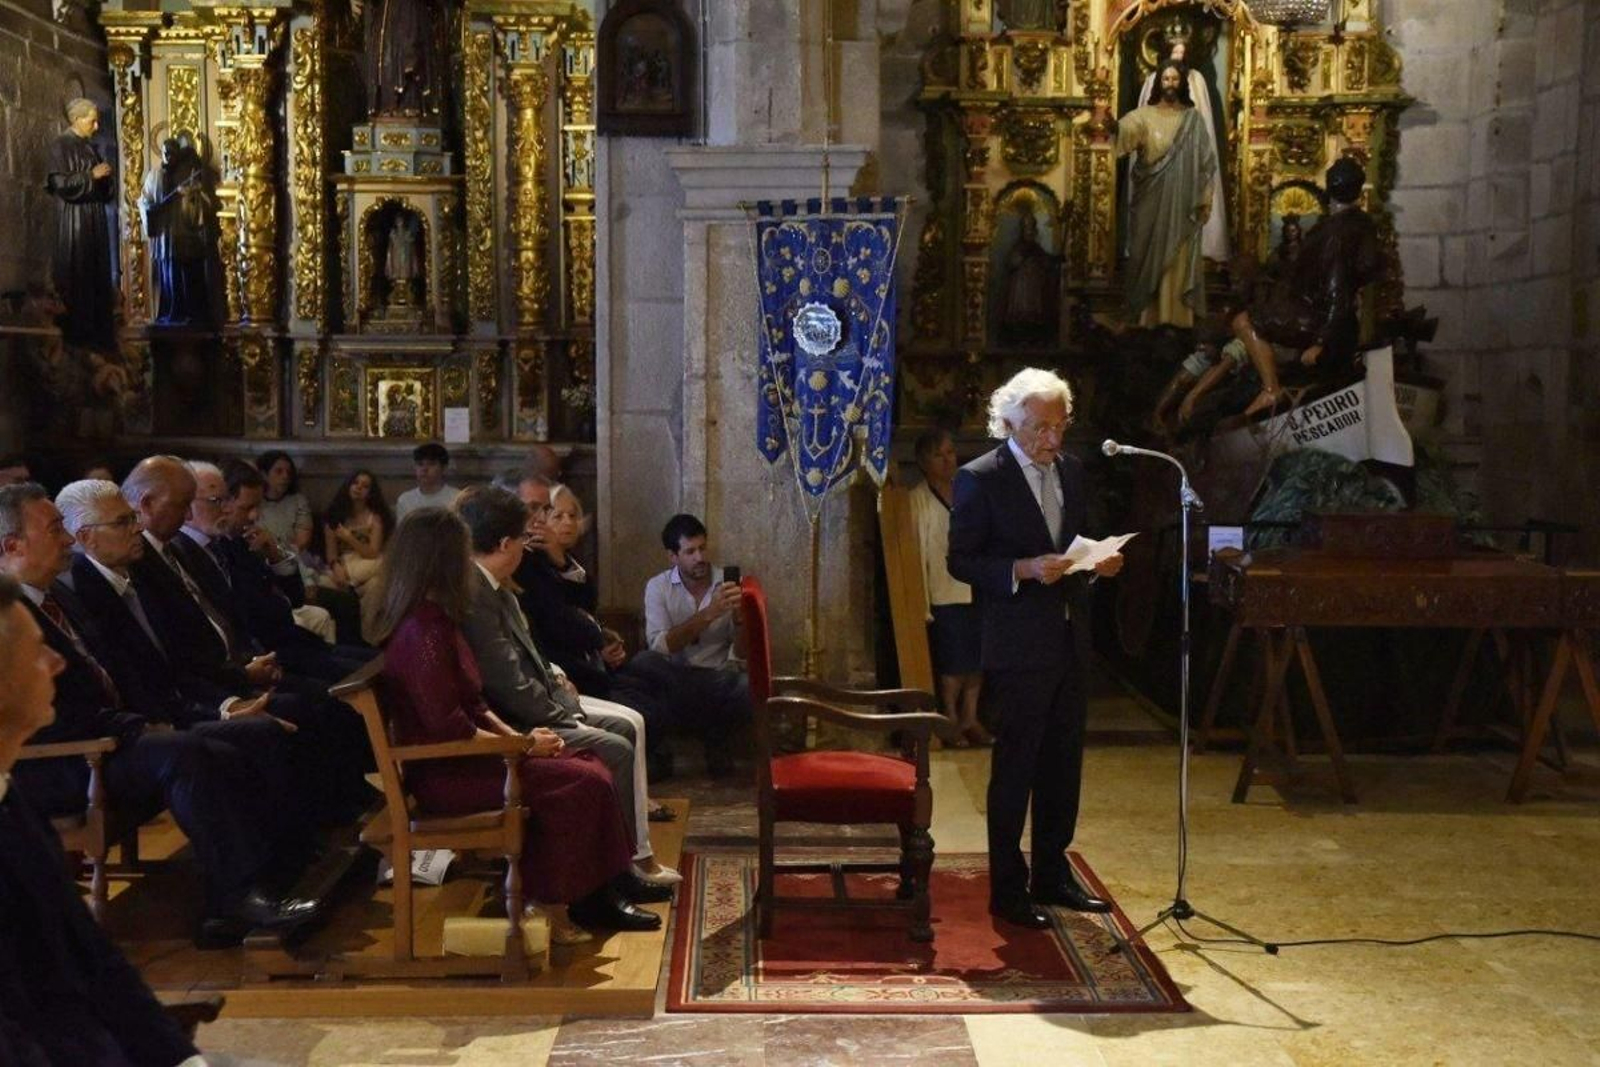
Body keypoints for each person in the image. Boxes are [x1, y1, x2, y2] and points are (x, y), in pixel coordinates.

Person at [0, 482, 318, 946]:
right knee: (183, 753)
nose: (68, 539)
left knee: (245, 739)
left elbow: (116, 676)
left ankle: (267, 878)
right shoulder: (9, 614)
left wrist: (169, 718)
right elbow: (50, 718)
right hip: (58, 761)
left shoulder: (58, 595)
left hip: (111, 735)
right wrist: (141, 727)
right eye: (54, 530)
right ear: (13, 545)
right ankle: (233, 899)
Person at [371, 508, 656, 943]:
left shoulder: (438, 620)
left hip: (475, 757)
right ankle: (564, 898)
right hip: (449, 774)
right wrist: (521, 747)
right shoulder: (421, 632)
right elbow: (451, 730)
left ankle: (592, 892)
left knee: (586, 764)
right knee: (581, 780)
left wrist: (521, 740)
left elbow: (475, 705)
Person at [0, 570, 214, 1066]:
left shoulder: (11, 798)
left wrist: (183, 1060)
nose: (56, 662)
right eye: (36, 652)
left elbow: (94, 957)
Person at [947, 368, 1125, 930]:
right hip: (1018, 642)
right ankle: (1008, 887)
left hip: (1071, 636)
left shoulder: (1072, 469)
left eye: (1059, 425)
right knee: (1017, 765)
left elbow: (1082, 539)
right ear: (1008, 423)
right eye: (1039, 428)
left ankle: (1053, 872)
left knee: (1063, 764)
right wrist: (1021, 569)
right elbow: (962, 561)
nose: (1051, 439)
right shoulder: (980, 477)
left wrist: (1100, 563)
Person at [454, 486, 679, 890]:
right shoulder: (476, 595)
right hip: (515, 724)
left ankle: (630, 859)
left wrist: (557, 684)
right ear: (506, 543)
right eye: (524, 537)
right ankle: (618, 869)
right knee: (617, 743)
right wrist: (562, 712)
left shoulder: (495, 585)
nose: (528, 546)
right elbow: (506, 682)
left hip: (535, 704)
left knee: (629, 723)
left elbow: (531, 654)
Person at [1228, 157, 1384, 418]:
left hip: (1318, 318)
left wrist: (1321, 342)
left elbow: (1338, 290)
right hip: (1335, 318)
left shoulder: (1335, 233)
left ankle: (1271, 389)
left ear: (1330, 187)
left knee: (1243, 321)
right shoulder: (1362, 223)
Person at [642, 514, 752, 776]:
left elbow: (743, 654)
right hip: (676, 678)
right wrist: (708, 614)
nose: (699, 558)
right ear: (673, 556)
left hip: (718, 676)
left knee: (746, 687)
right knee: (643, 668)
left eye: (702, 548)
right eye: (689, 551)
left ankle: (718, 744)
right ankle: (659, 750)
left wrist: (741, 622)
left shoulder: (727, 583)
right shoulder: (658, 587)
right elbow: (659, 646)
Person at [1115, 62, 1217, 329]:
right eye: (1166, 79)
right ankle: (1146, 317)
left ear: (1181, 83)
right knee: (1143, 253)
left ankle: (1178, 319)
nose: (1170, 83)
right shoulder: (1144, 115)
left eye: (1174, 79)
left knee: (1178, 259)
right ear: (1159, 83)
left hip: (1183, 206)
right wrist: (1109, 126)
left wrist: (1204, 198)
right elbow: (1124, 130)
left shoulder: (1193, 120)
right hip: (1150, 201)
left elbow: (1207, 163)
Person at [908, 429, 987, 747]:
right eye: (938, 455)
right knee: (954, 659)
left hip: (976, 585)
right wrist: (922, 600)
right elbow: (917, 549)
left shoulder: (968, 491)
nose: (947, 460)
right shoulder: (918, 498)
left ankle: (972, 716)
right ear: (924, 461)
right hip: (943, 589)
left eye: (951, 453)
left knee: (978, 658)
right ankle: (951, 717)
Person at [1137, 36, 1227, 262]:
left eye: (1181, 53)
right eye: (1174, 53)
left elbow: (1203, 118)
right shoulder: (1153, 80)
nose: (1178, 57)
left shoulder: (1196, 80)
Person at [45, 97, 116, 352]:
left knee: (96, 278)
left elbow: (104, 188)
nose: (96, 126)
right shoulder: (60, 146)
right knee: (79, 275)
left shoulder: (90, 147)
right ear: (76, 119)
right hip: (75, 221)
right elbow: (60, 185)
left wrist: (106, 180)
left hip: (94, 219)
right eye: (92, 120)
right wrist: (91, 176)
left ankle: (98, 340)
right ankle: (78, 341)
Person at [322, 469, 392, 619]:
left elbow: (373, 553)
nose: (358, 487)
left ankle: (352, 591)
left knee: (380, 571)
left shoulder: (375, 518)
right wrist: (336, 567)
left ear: (371, 493)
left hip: (367, 563)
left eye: (365, 486)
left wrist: (349, 538)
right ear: (348, 485)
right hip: (345, 564)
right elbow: (331, 554)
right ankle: (351, 590)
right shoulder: (334, 515)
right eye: (355, 483)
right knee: (322, 582)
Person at [394, 443, 459, 520]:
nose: (424, 469)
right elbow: (402, 531)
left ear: (444, 468)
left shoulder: (457, 498)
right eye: (420, 464)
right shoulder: (405, 500)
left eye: (431, 464)